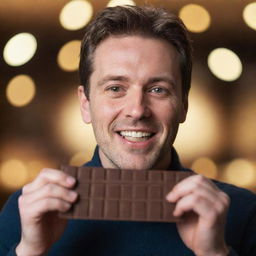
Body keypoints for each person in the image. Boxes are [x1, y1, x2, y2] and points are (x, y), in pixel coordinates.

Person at [0, 5, 255, 256]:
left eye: (158, 89)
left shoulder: (243, 214)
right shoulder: (26, 212)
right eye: (115, 88)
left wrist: (215, 253)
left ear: (183, 106)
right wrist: (29, 251)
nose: (137, 110)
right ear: (85, 104)